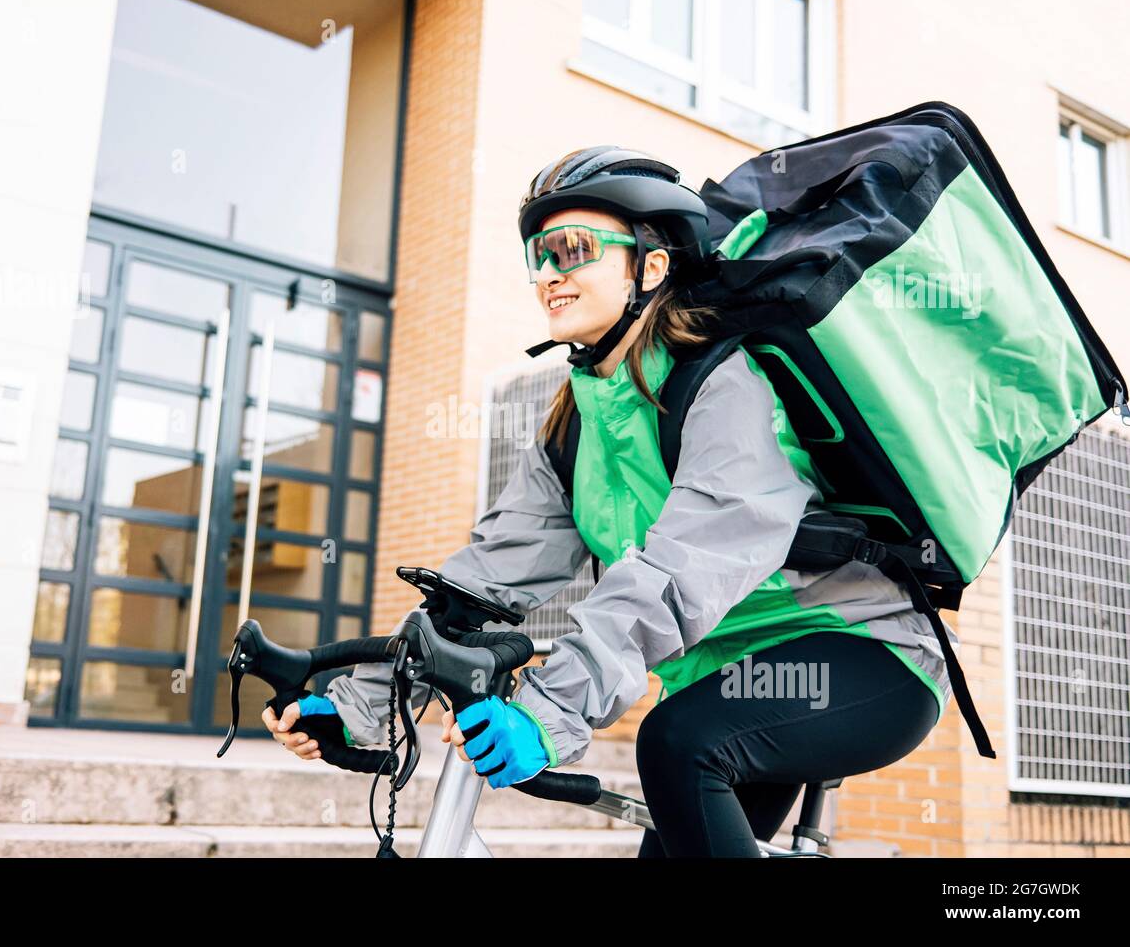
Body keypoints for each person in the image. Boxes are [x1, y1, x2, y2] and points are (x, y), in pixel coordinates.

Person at [264, 146, 949, 857]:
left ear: (650, 268)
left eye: (572, 249)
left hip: (862, 654)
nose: (548, 274)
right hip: (721, 678)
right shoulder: (574, 426)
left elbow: (686, 564)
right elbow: (482, 580)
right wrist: (359, 703)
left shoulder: (725, 383)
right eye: (539, 255)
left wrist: (553, 705)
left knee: (679, 741)